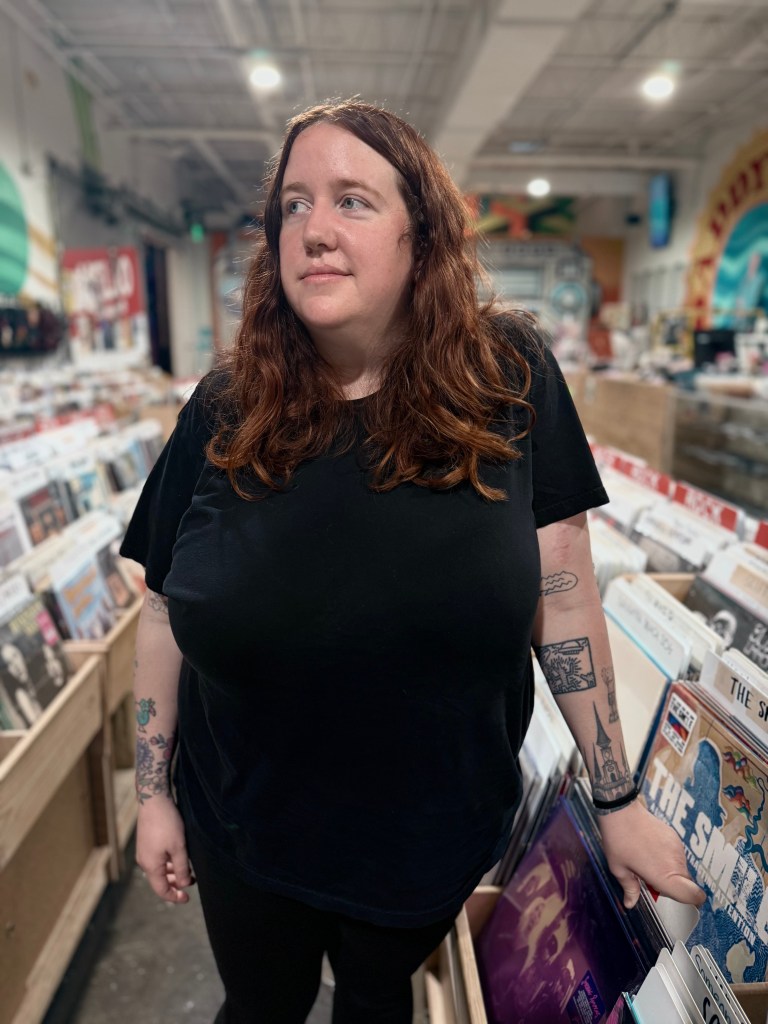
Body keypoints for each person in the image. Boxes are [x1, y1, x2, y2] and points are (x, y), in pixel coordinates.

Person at [121, 99, 704, 1024]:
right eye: (294, 206)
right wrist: (152, 796)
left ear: (420, 236)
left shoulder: (507, 377)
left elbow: (562, 589)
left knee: (375, 1000)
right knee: (259, 1004)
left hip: (425, 838)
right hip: (242, 825)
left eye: (353, 200)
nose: (313, 229)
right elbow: (161, 613)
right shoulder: (224, 408)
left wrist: (617, 798)